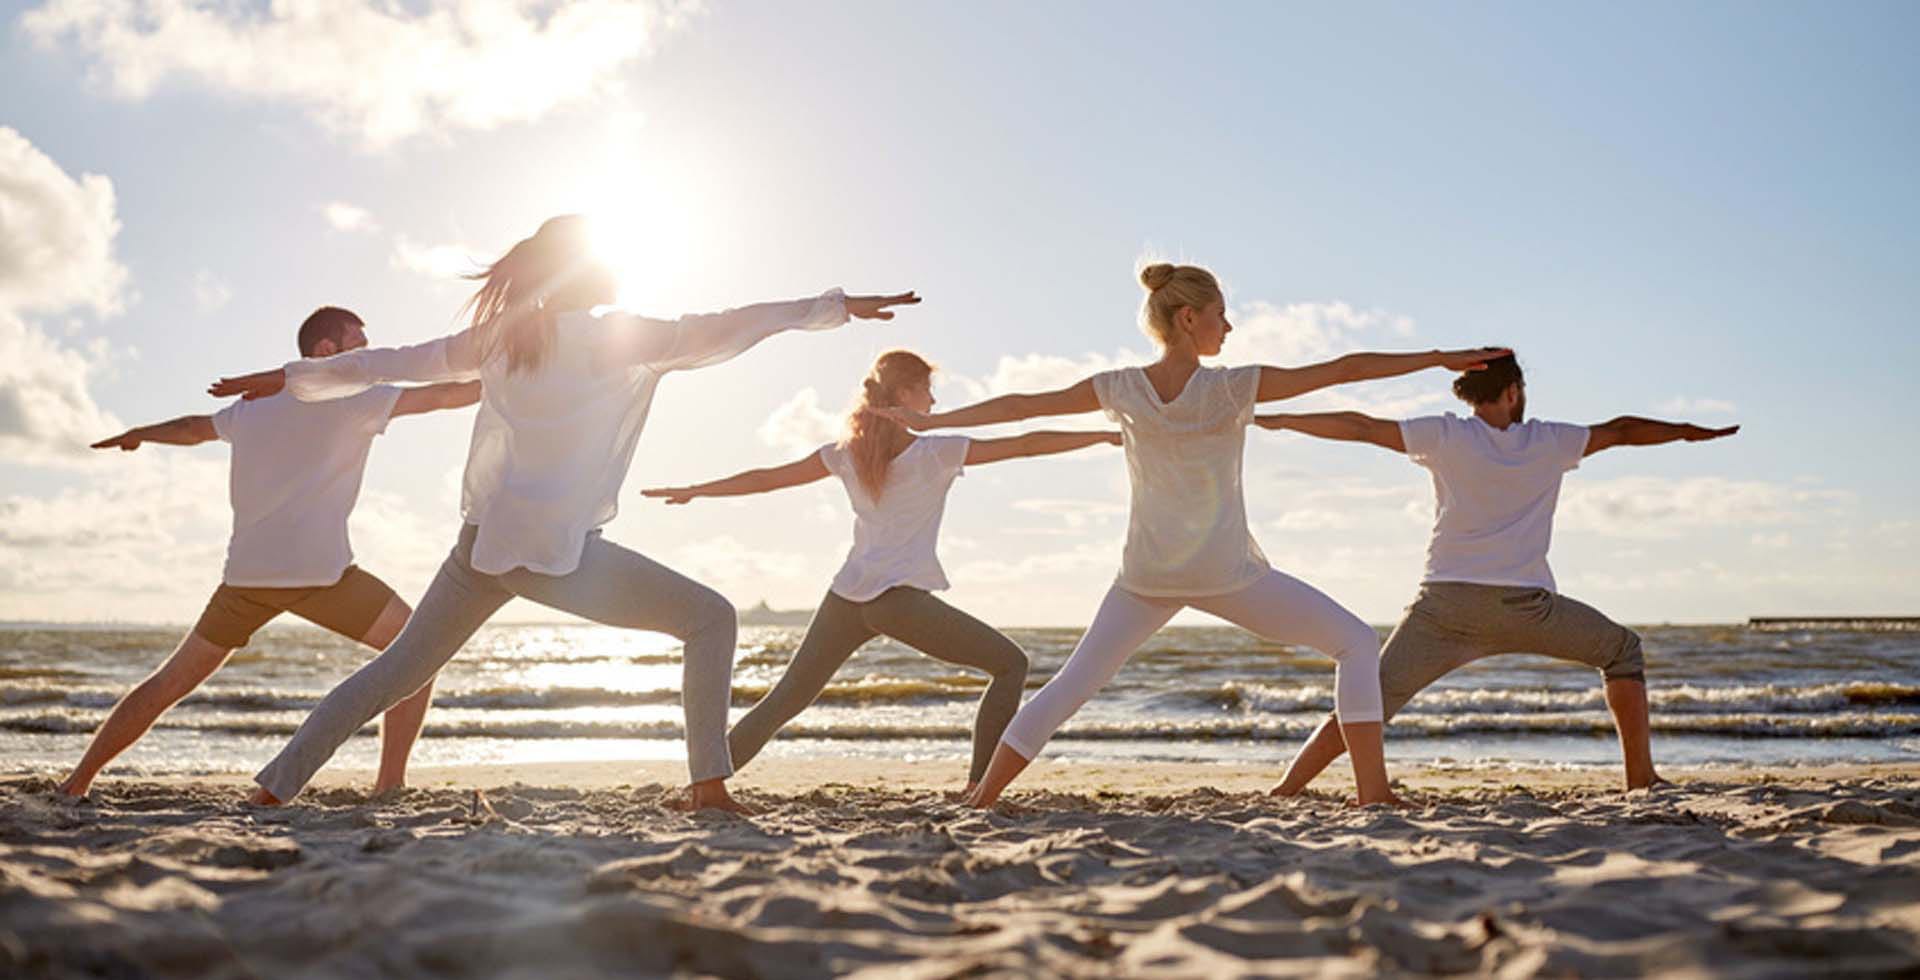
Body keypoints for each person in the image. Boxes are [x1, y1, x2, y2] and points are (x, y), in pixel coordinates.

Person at [209, 215, 918, 813]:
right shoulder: (619, 336)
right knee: (712, 618)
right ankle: (708, 787)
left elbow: (386, 363)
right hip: (551, 553)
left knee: (395, 673)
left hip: (482, 545)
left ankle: (273, 792)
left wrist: (288, 378)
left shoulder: (505, 337)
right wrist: (831, 308)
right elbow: (729, 325)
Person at [878, 262, 1508, 807]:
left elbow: (1020, 406)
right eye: (1220, 315)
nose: (1227, 328)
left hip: (1147, 575)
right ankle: (1372, 793)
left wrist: (933, 423)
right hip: (1225, 572)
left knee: (1071, 684)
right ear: (1186, 319)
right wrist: (1434, 358)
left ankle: (983, 798)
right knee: (1353, 642)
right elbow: (1342, 368)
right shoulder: (1232, 387)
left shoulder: (1121, 387)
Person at [643, 349, 1120, 793]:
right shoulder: (934, 453)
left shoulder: (846, 453)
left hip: (846, 597)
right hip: (897, 601)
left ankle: (701, 789)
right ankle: (979, 793)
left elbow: (767, 480)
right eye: (926, 389)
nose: (933, 400)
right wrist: (1103, 435)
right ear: (903, 395)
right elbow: (1026, 445)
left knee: (782, 701)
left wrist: (695, 489)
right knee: (1010, 665)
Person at [1262, 353, 1739, 795]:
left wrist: (1283, 421)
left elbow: (1360, 426)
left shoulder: (1445, 435)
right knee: (1622, 652)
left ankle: (1288, 788)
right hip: (1525, 609)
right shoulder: (1551, 441)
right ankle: (1641, 779)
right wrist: (1686, 431)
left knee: (1371, 699)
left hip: (1444, 609)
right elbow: (1623, 430)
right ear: (1513, 391)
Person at [60, 306, 480, 798]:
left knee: (168, 683)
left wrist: (140, 434)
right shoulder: (358, 401)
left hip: (247, 581)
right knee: (417, 654)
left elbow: (193, 427)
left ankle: (75, 783)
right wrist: (519, 372)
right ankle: (389, 784)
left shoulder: (254, 406)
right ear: (325, 351)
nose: (367, 359)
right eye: (359, 347)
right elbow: (449, 395)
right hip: (323, 580)